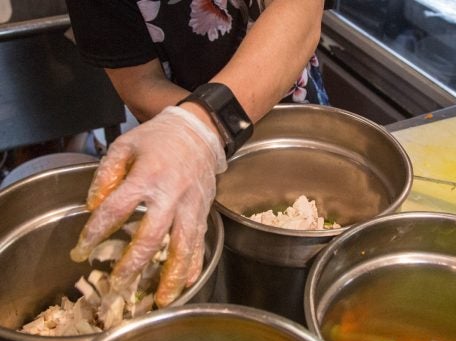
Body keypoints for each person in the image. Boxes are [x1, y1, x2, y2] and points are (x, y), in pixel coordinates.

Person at [64, 0, 330, 307]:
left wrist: (205, 127)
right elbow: (140, 84)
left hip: (295, 119)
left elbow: (300, 12)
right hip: (181, 147)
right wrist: (192, 134)